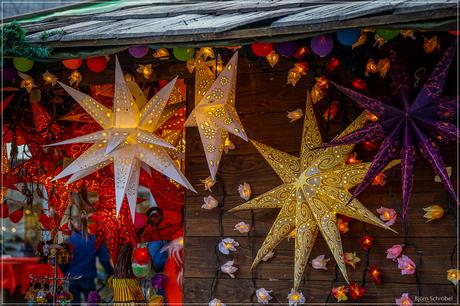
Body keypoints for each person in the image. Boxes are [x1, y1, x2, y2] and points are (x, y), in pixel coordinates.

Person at [59, 231, 113, 304]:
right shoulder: (94, 239)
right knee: (92, 302)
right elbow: (104, 258)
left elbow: (63, 261)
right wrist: (110, 272)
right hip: (88, 277)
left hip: (72, 277)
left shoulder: (68, 240)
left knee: (74, 302)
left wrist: (65, 272)